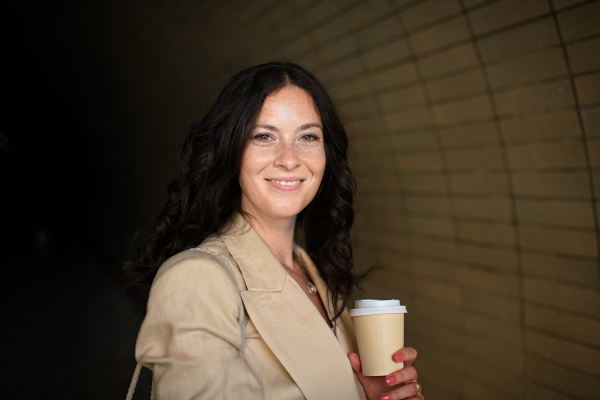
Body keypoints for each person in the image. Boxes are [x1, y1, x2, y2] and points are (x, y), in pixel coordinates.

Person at [120, 62, 423, 400]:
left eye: (308, 137)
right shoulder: (196, 278)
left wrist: (365, 393)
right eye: (264, 136)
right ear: (231, 151)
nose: (289, 159)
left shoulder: (315, 273)